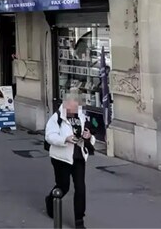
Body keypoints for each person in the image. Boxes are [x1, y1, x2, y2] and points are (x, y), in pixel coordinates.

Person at [44, 93, 94, 229]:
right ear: (66, 104)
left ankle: (79, 221)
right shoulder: (57, 118)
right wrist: (65, 139)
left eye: (76, 105)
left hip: (78, 157)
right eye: (73, 105)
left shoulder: (81, 117)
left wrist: (88, 136)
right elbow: (49, 136)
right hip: (61, 158)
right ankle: (50, 201)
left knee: (80, 188)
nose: (75, 108)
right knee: (63, 186)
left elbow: (89, 136)